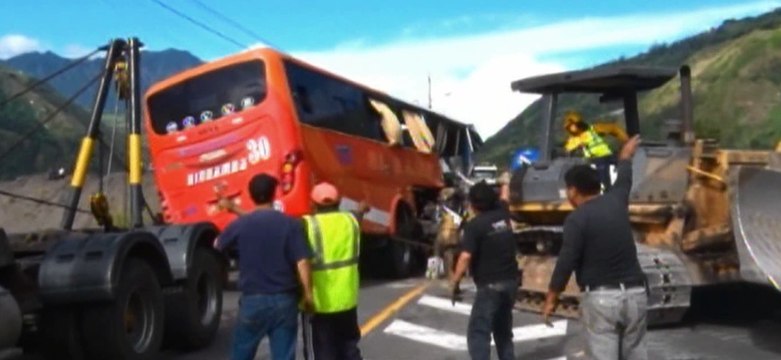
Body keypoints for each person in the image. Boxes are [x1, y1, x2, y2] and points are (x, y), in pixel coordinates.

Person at [542, 135, 647, 360]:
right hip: (636, 295)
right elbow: (624, 178)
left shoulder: (577, 219)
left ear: (573, 190)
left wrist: (551, 298)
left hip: (602, 300)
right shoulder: (617, 200)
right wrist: (625, 156)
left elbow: (566, 261)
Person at [216, 174, 314, 360]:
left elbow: (219, 244)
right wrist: (308, 295)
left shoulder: (241, 225)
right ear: (274, 194)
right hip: (285, 299)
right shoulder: (291, 225)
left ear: (251, 195)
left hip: (253, 300)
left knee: (241, 353)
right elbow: (302, 262)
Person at [450, 181, 519, 360]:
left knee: (479, 333)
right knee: (503, 332)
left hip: (490, 286)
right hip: (511, 282)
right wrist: (505, 183)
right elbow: (504, 197)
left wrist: (455, 282)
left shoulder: (474, 226)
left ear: (473, 204)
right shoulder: (503, 214)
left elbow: (465, 257)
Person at [301, 182, 368, 360]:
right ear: (338, 203)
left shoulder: (307, 224)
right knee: (349, 348)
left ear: (313, 205)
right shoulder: (351, 221)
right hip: (347, 299)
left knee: (325, 352)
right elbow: (359, 215)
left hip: (320, 302)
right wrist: (361, 208)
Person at [563, 110, 627, 190]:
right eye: (568, 127)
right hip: (594, 160)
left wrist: (625, 140)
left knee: (623, 166)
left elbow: (613, 128)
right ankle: (605, 189)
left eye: (571, 125)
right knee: (602, 174)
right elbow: (568, 151)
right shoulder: (573, 139)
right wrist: (574, 148)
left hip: (608, 156)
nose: (570, 129)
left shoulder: (594, 129)